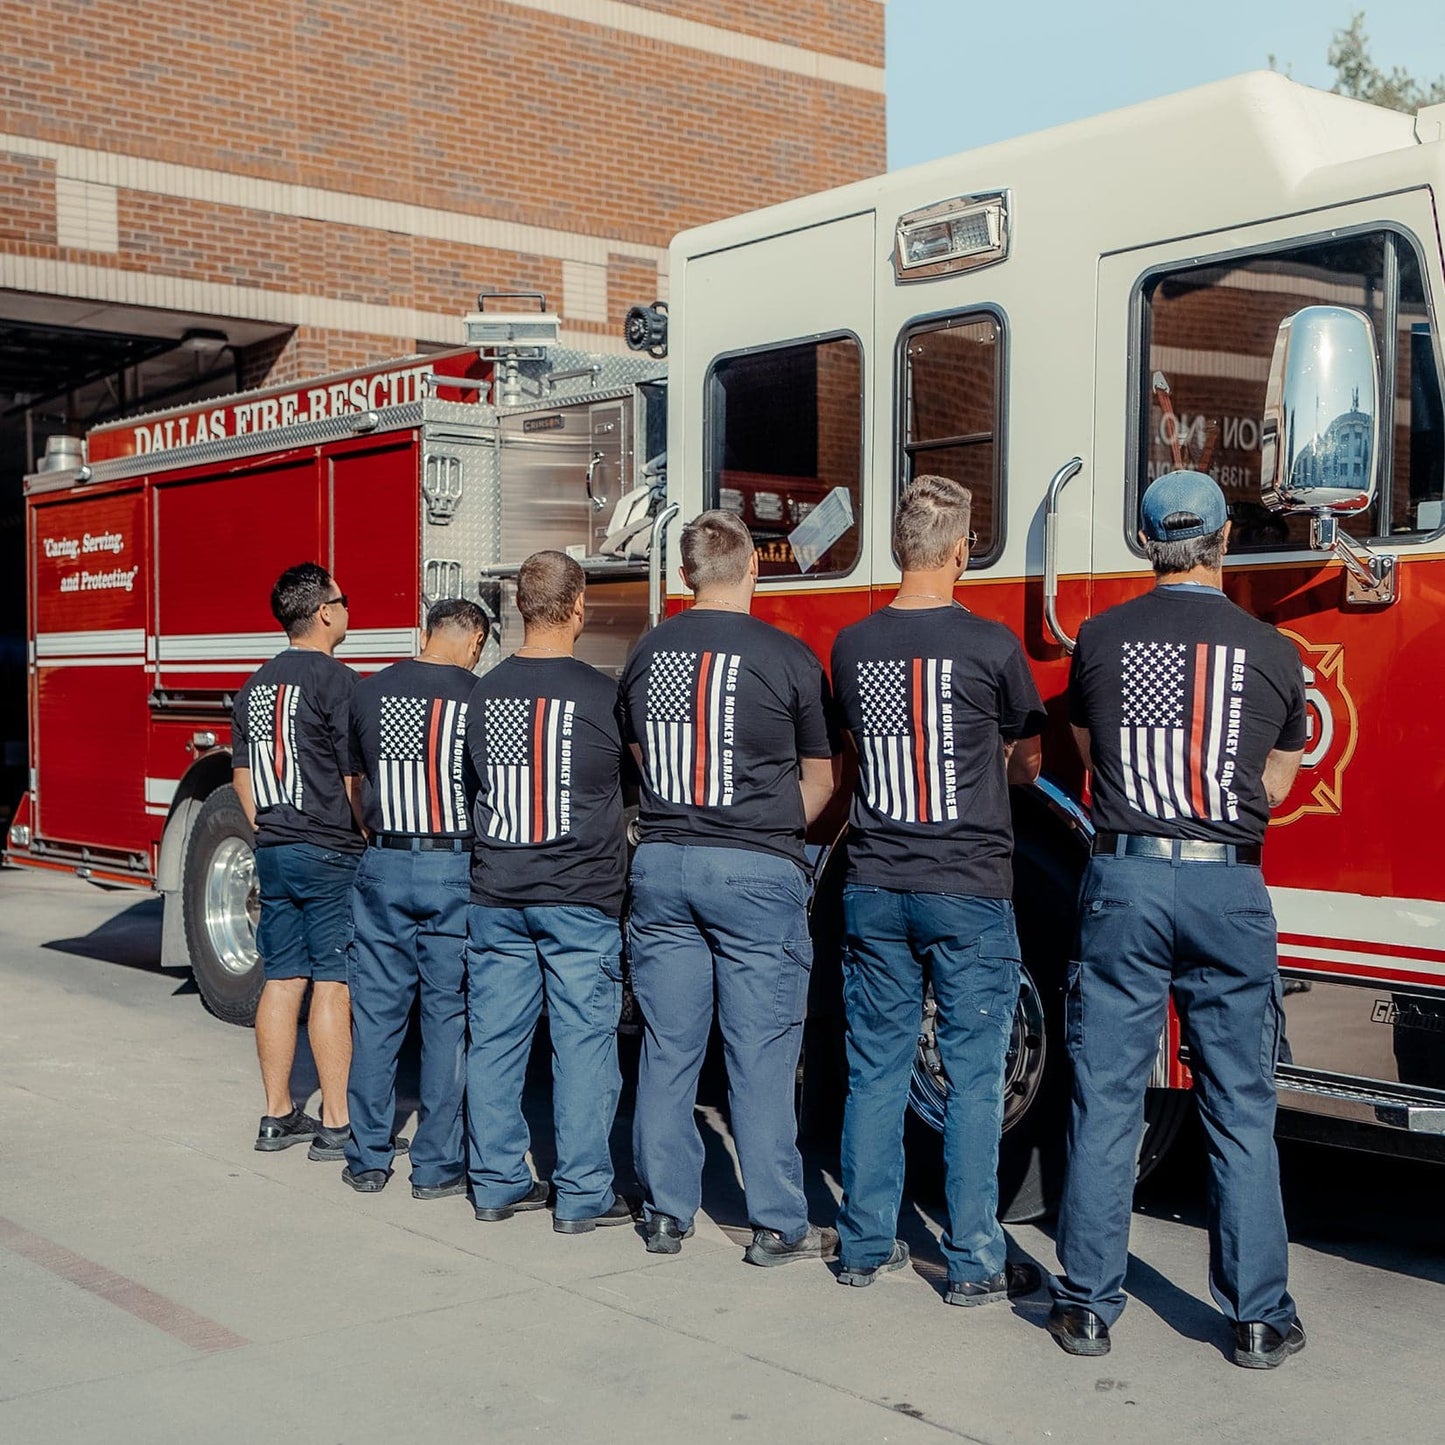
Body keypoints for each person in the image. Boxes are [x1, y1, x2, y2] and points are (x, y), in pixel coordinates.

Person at [1048, 470, 1307, 1369]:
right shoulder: (1273, 649)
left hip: (1124, 879)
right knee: (1239, 1101)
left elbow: (1090, 753)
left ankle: (1086, 1304)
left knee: (1107, 1093)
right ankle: (1257, 1317)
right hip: (1226, 888)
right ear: (1223, 539)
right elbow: (1276, 784)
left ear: (1147, 542)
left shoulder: (1098, 638)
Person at [830, 476, 1048, 1303]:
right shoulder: (992, 646)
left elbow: (857, 746)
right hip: (967, 888)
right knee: (973, 1077)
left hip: (875, 882)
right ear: (961, 552)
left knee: (875, 1071)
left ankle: (862, 1245)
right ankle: (972, 1261)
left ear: (897, 549)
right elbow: (1028, 764)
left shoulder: (851, 645)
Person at [618, 509, 841, 1263]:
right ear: (753, 566)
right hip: (755, 867)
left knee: (668, 1046)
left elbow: (642, 756)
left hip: (662, 862)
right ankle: (776, 1222)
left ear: (685, 576)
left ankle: (664, 1213)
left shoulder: (647, 652)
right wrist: (767, 830)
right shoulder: (789, 656)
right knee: (762, 1052)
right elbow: (820, 778)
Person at [464, 551, 632, 1232]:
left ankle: (496, 1183)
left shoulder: (484, 693)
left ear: (519, 608)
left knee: (495, 1042)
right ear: (579, 606)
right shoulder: (603, 696)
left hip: (498, 892)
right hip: (580, 896)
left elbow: (474, 784)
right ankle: (583, 1193)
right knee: (584, 1046)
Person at [342, 598, 489, 1197]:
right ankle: (435, 1166)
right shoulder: (479, 696)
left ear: (427, 632)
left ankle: (367, 1158)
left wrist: (377, 836)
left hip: (384, 859)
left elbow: (354, 783)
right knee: (446, 1018)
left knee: (376, 1017)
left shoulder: (369, 692)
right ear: (474, 640)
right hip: (452, 863)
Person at [232, 563, 364, 1160]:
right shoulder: (340, 682)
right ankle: (336, 1124)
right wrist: (364, 833)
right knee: (333, 982)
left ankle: (277, 1114)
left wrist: (269, 829)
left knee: (283, 979)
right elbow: (352, 776)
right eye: (344, 599)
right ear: (325, 612)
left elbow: (241, 777)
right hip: (330, 849)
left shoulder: (254, 686)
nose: (348, 608)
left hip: (275, 848)